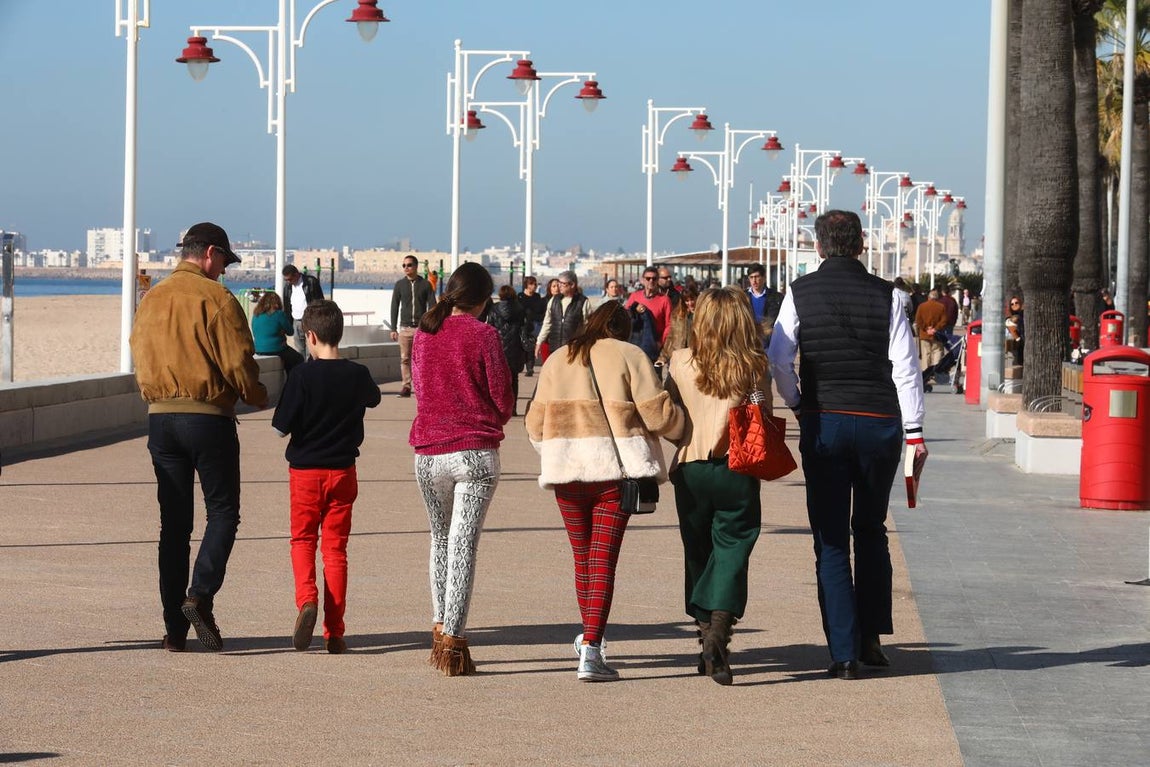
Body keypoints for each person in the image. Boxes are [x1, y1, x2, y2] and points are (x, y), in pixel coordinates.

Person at [766, 210, 925, 680]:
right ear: (861, 245)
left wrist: (798, 404)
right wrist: (914, 431)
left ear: (819, 247)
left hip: (825, 421)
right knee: (872, 527)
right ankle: (872, 637)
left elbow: (779, 359)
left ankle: (842, 651)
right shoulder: (890, 295)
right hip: (879, 422)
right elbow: (905, 368)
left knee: (831, 538)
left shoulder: (799, 292)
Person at [525, 301, 684, 682]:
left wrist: (556, 451)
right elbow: (658, 415)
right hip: (613, 474)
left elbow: (534, 423)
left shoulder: (559, 359)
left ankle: (588, 640)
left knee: (583, 559)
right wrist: (686, 433)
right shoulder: (630, 354)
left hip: (567, 473)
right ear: (623, 328)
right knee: (603, 559)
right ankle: (592, 649)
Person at [130, 222, 268, 652]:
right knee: (223, 512)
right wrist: (256, 394)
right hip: (208, 418)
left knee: (173, 527)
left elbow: (139, 354)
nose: (224, 270)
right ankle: (200, 594)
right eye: (224, 261)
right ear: (209, 253)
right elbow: (239, 361)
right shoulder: (217, 298)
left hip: (160, 421)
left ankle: (174, 631)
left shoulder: (151, 299)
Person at [409, 262, 513, 676]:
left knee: (439, 539)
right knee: (463, 544)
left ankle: (439, 627)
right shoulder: (484, 335)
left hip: (429, 453)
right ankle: (453, 640)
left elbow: (420, 388)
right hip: (474, 453)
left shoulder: (423, 334)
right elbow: (503, 399)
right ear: (484, 299)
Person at [664, 287, 770, 686]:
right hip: (735, 467)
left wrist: (682, 438)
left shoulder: (680, 361)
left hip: (690, 467)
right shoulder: (752, 365)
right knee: (733, 549)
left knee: (697, 551)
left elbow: (669, 411)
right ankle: (719, 634)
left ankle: (703, 633)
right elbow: (766, 414)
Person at [271, 300, 381, 654]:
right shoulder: (358, 374)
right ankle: (334, 631)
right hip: (344, 471)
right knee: (336, 550)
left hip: (306, 471)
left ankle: (307, 599)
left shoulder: (302, 376)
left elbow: (279, 427)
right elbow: (374, 399)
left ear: (311, 336)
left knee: (303, 540)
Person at [390, 255, 436, 398]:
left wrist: (432, 325)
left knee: (421, 358)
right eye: (404, 265)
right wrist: (393, 328)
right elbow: (394, 306)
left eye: (409, 265)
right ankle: (406, 386)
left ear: (416, 266)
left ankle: (422, 386)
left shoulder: (425, 284)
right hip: (404, 328)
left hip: (421, 329)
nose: (406, 268)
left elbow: (432, 305)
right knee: (404, 358)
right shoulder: (399, 285)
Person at [487, 285, 529, 415]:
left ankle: (500, 407)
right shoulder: (520, 309)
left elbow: (490, 327)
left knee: (499, 379)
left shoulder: (494, 308)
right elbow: (525, 327)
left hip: (499, 347)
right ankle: (513, 408)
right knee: (514, 379)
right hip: (515, 347)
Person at [536, 271, 592, 364]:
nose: (559, 286)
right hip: (554, 348)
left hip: (573, 349)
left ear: (572, 284)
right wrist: (539, 342)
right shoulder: (554, 300)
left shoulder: (583, 302)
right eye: (558, 283)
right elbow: (547, 323)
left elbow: (588, 326)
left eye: (562, 283)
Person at [625, 267, 673, 363]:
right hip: (635, 345)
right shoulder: (635, 296)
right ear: (643, 280)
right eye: (648, 278)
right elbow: (626, 317)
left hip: (654, 347)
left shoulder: (664, 300)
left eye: (654, 278)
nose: (651, 281)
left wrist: (660, 342)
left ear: (658, 280)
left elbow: (669, 324)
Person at [251, 291, 304, 375]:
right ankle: (291, 383)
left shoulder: (256, 315)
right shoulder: (279, 314)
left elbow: (255, 332)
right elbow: (290, 332)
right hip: (276, 348)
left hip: (258, 349)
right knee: (298, 358)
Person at [282, 264, 325, 360]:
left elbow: (319, 301)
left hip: (310, 321)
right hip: (296, 321)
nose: (288, 282)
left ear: (296, 274)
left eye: (290, 279)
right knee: (299, 350)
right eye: (286, 280)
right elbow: (287, 306)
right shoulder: (287, 287)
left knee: (312, 349)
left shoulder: (311, 282)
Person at [914, 289, 949, 389]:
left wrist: (926, 328)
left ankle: (925, 375)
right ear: (937, 298)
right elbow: (944, 320)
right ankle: (935, 373)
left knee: (926, 355)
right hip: (936, 335)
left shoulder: (922, 306)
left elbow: (918, 320)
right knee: (937, 352)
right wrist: (935, 329)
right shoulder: (941, 307)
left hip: (924, 335)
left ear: (928, 297)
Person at [657, 285, 698, 367]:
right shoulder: (677, 316)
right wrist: (663, 357)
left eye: (692, 299)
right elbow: (671, 337)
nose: (690, 303)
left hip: (696, 357)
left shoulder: (703, 315)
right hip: (679, 356)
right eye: (687, 301)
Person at [745, 263, 783, 348]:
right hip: (749, 344)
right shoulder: (743, 297)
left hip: (770, 344)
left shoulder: (776, 297)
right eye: (751, 277)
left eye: (757, 277)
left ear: (764, 277)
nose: (754, 281)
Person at [519, 276, 546, 377]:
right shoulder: (520, 296)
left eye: (535, 284)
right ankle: (522, 364)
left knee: (531, 346)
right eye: (531, 284)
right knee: (522, 346)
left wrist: (534, 316)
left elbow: (540, 311)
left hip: (533, 325)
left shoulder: (537, 297)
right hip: (522, 325)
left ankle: (530, 368)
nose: (534, 286)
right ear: (526, 285)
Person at [1006, 295, 1025, 365]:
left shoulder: (1024, 314)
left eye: (1016, 302)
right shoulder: (1009, 319)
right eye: (1012, 304)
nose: (1014, 305)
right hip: (1018, 345)